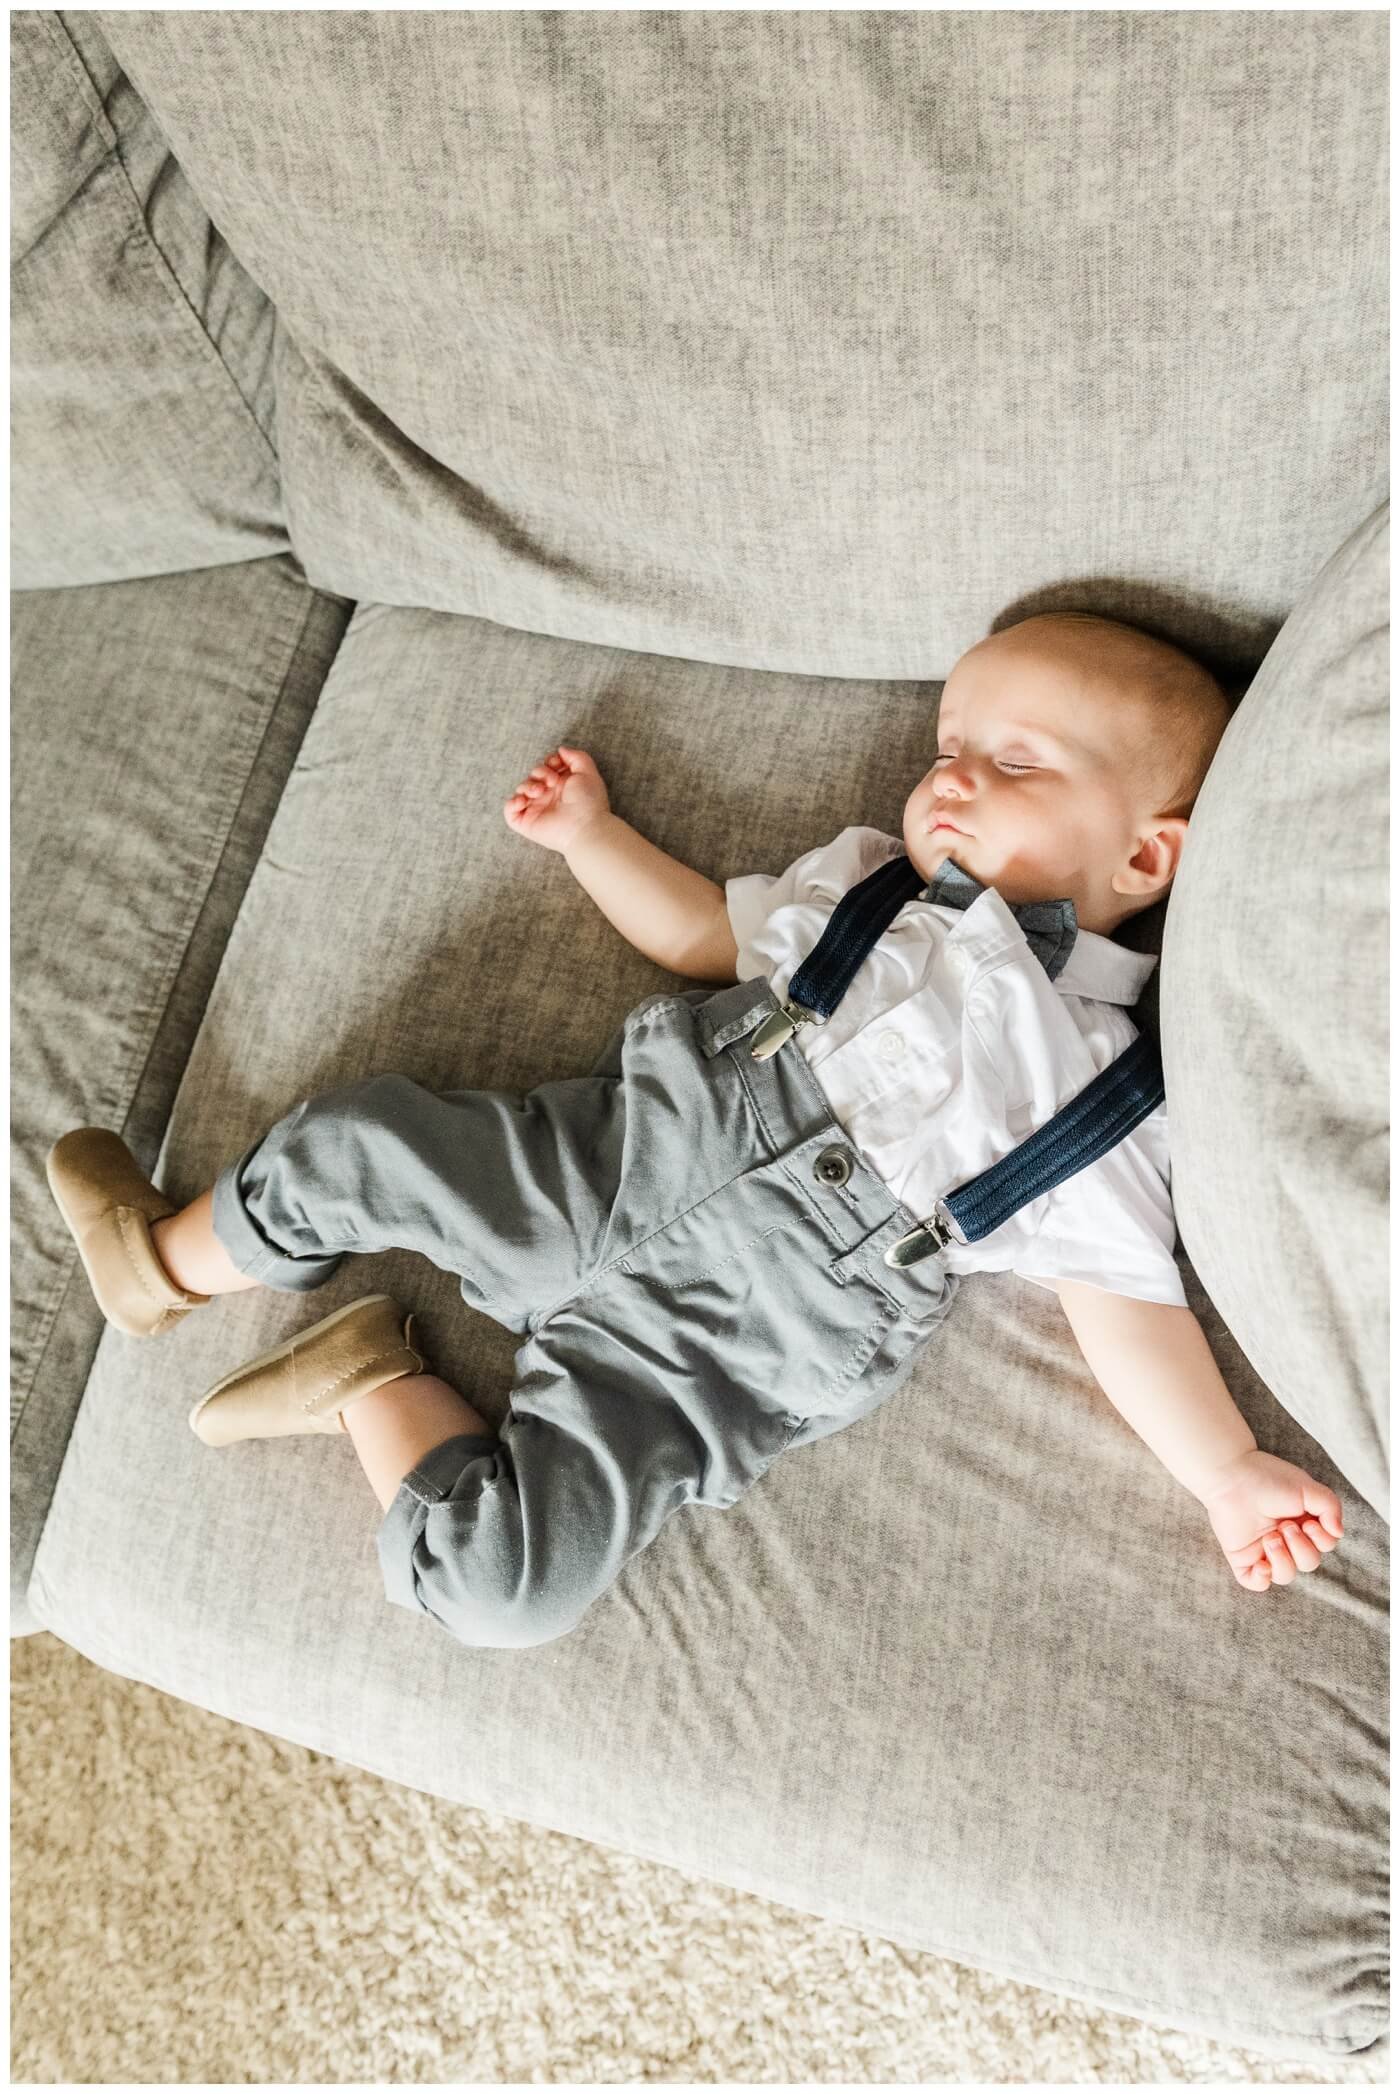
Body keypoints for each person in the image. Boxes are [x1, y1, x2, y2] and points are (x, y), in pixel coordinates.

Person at [46, 612, 1344, 1647]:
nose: (950, 780)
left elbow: (1124, 1300)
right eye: (950, 745)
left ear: (1147, 860)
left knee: (508, 1591)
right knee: (363, 1139)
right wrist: (592, 839)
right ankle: (162, 1264)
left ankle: (374, 1381)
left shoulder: (1103, 1086)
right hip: (604, 1170)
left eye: (1014, 764)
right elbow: (703, 938)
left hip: (702, 1360)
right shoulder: (863, 886)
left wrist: (1225, 1471)